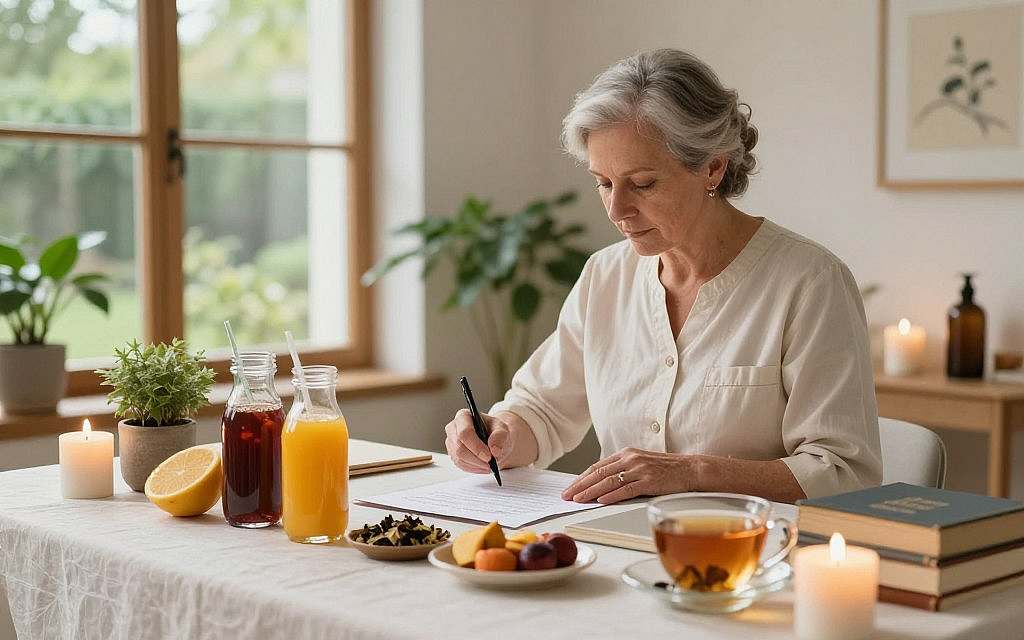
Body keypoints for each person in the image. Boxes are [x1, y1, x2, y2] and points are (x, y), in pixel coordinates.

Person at [444, 49, 881, 504]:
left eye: (643, 183)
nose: (617, 210)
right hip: (617, 543)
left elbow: (845, 472)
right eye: (603, 182)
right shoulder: (605, 276)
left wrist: (692, 471)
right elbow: (544, 410)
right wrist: (499, 435)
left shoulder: (809, 282)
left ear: (713, 166)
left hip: (752, 556)